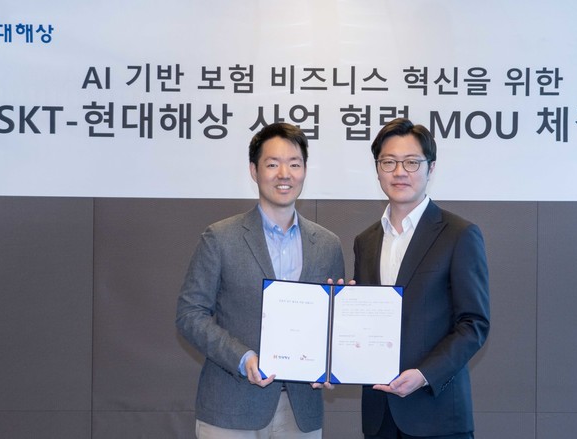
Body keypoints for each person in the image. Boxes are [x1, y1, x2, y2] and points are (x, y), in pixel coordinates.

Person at [176, 122, 345, 438]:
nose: (284, 174)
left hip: (300, 412)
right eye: (272, 164)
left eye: (294, 164)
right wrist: (242, 358)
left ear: (304, 171)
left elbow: (332, 324)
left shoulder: (327, 244)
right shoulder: (220, 237)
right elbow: (190, 315)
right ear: (254, 171)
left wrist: (333, 360)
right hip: (231, 408)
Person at [354, 118, 490, 439]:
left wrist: (424, 374)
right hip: (379, 416)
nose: (400, 172)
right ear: (377, 170)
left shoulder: (459, 234)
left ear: (431, 169)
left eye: (412, 162)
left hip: (436, 414)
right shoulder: (366, 241)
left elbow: (473, 324)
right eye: (389, 162)